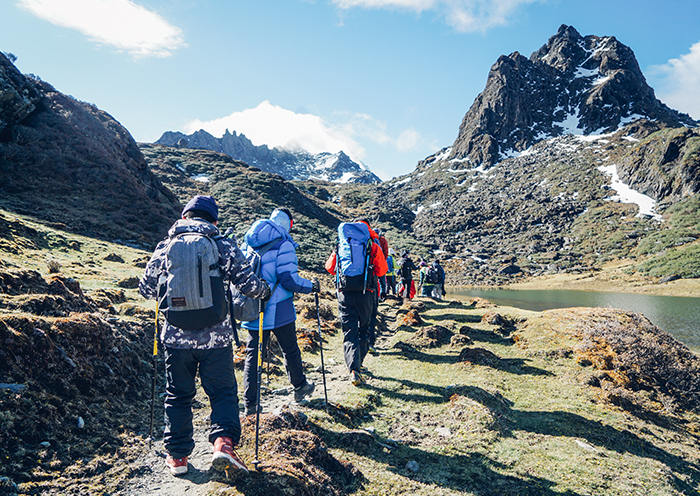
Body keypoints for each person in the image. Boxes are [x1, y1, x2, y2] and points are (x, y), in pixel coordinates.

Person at [139, 195, 270, 476]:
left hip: (175, 338)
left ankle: (177, 458)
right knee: (222, 392)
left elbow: (146, 290)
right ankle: (223, 445)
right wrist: (265, 291)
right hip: (216, 337)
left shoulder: (165, 246)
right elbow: (248, 284)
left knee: (178, 394)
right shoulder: (222, 244)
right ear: (214, 220)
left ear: (184, 217)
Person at [241, 208, 319, 415]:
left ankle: (251, 403)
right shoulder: (284, 244)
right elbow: (289, 280)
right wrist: (311, 286)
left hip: (252, 306)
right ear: (288, 224)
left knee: (253, 354)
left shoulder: (249, 242)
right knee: (290, 348)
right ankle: (300, 386)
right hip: (279, 307)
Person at [325, 219, 387, 385]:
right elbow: (382, 269)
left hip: (344, 293)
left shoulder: (341, 243)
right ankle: (358, 365)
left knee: (349, 331)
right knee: (364, 330)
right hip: (366, 293)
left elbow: (330, 268)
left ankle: (353, 369)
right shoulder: (371, 243)